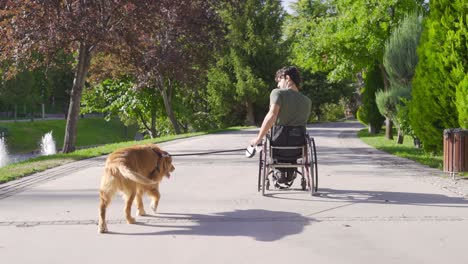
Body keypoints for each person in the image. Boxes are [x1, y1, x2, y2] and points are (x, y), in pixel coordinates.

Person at [250, 66, 311, 186]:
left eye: (279, 80)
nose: (278, 85)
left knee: (268, 138)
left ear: (287, 78)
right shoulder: (307, 101)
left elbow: (272, 115)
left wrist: (258, 139)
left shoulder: (277, 93)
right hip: (298, 148)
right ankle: (308, 180)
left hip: (277, 146)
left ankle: (273, 175)